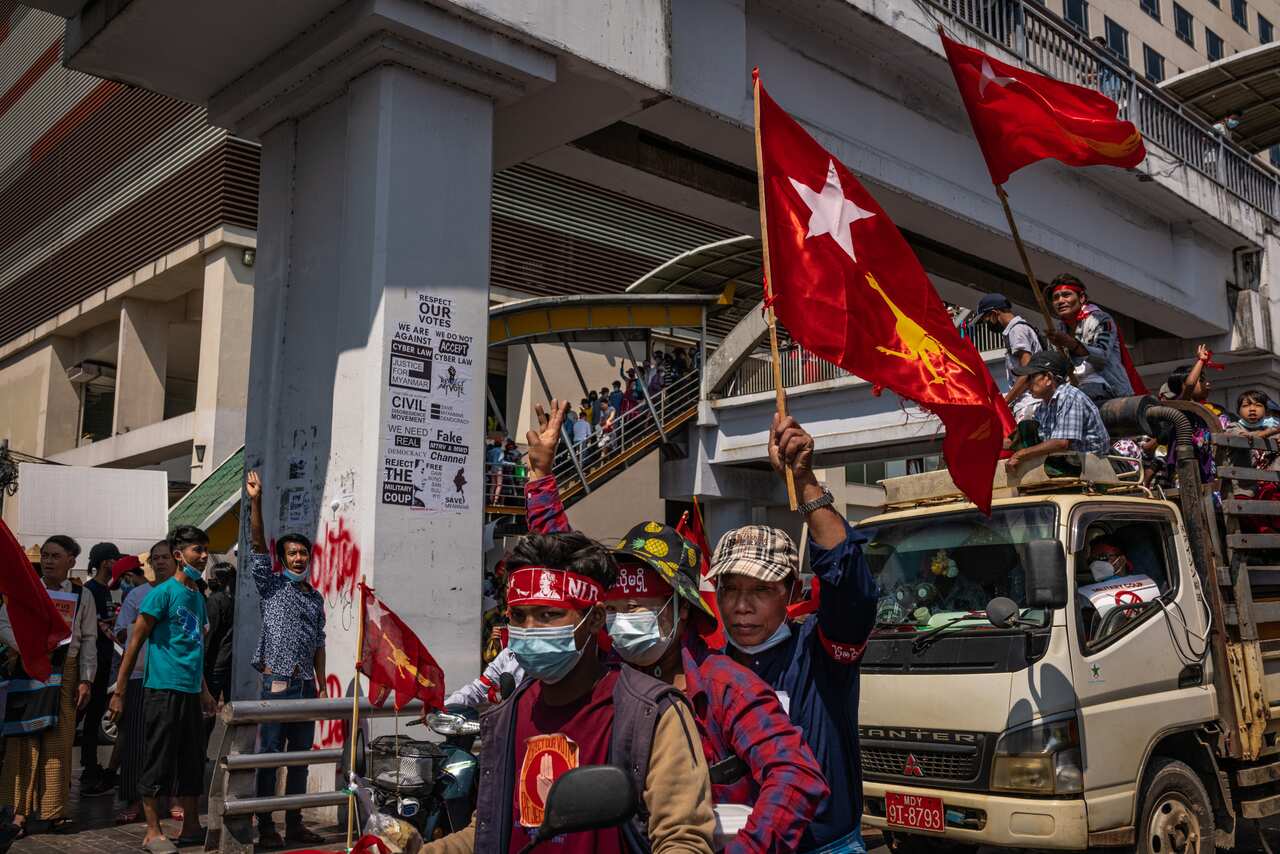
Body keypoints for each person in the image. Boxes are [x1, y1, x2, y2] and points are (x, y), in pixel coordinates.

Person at [523, 400, 830, 854]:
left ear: (681, 611)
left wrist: (745, 849)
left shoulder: (726, 686)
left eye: (642, 606)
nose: (626, 619)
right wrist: (541, 481)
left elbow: (796, 775)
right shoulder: (601, 673)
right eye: (616, 607)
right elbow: (564, 570)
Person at [423, 530, 716, 853]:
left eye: (549, 615)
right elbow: (488, 833)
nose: (530, 629)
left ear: (595, 620)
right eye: (519, 616)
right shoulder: (508, 716)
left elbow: (681, 839)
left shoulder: (651, 714)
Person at [708, 413, 879, 852]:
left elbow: (852, 588)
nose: (742, 606)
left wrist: (804, 481)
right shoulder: (709, 667)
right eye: (731, 590)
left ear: (793, 590)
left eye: (761, 590)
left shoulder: (820, 652)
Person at [108, 526, 215, 853]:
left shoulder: (197, 597)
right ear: (180, 555)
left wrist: (205, 690)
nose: (204, 555)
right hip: (161, 689)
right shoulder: (161, 593)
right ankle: (152, 831)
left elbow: (195, 648)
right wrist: (120, 691)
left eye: (206, 549)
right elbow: (135, 641)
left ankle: (192, 824)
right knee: (157, 758)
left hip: (189, 690)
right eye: (198, 549)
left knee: (192, 760)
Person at [244, 470, 327, 849]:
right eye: (291, 553)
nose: (298, 558)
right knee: (268, 757)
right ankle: (264, 825)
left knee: (298, 760)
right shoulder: (271, 585)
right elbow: (258, 544)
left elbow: (319, 643)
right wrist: (256, 501)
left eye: (302, 553)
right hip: (277, 682)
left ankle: (295, 823)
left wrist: (322, 683)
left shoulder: (315, 597)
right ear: (282, 559)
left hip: (306, 685)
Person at [0, 535, 97, 836]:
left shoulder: (83, 595)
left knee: (59, 743)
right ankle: (16, 814)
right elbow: (3, 625)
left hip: (66, 674)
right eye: (46, 555)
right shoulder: (25, 591)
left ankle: (55, 812)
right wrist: (30, 649)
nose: (50, 561)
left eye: (56, 555)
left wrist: (86, 679)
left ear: (72, 561)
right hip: (29, 669)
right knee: (23, 741)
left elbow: (89, 638)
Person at [112, 543, 174, 825]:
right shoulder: (137, 595)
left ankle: (172, 797)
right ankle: (136, 800)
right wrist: (144, 628)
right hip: (140, 676)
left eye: (165, 557)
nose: (160, 563)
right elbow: (121, 633)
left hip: (175, 679)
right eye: (155, 558)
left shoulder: (188, 593)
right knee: (137, 742)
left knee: (173, 741)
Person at [1007, 350, 1112, 469]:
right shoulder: (1043, 406)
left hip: (1092, 466)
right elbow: (1023, 440)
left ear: (1048, 378)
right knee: (1026, 427)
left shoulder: (1070, 397)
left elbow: (1061, 443)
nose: (1027, 384)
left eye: (1031, 377)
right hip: (1068, 461)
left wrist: (1021, 455)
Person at [1043, 274, 1134, 403]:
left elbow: (1101, 356)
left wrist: (1070, 343)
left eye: (1066, 295)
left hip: (1107, 389)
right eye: (1056, 297)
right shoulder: (1058, 331)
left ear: (1081, 298)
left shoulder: (1100, 319)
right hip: (1073, 391)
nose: (1060, 301)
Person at [80, 542, 122, 793]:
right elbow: (91, 623)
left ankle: (91, 766)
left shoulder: (104, 590)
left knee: (96, 713)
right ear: (106, 562)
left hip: (105, 659)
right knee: (88, 715)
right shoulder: (90, 590)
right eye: (114, 559)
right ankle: (88, 768)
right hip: (92, 661)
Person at [975, 292, 1043, 423]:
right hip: (1030, 401)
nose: (986, 324)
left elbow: (1028, 371)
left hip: (1030, 403)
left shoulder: (1016, 331)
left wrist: (1005, 403)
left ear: (994, 314)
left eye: (986, 319)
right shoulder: (1019, 329)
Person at [443, 646, 525, 707]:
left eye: (537, 621)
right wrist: (444, 707)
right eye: (519, 622)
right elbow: (479, 689)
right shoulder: (508, 654)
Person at [204, 562, 236, 706]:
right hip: (234, 662)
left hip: (216, 661)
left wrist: (203, 659)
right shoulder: (239, 600)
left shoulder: (215, 600)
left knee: (208, 705)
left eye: (212, 577)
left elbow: (210, 633)